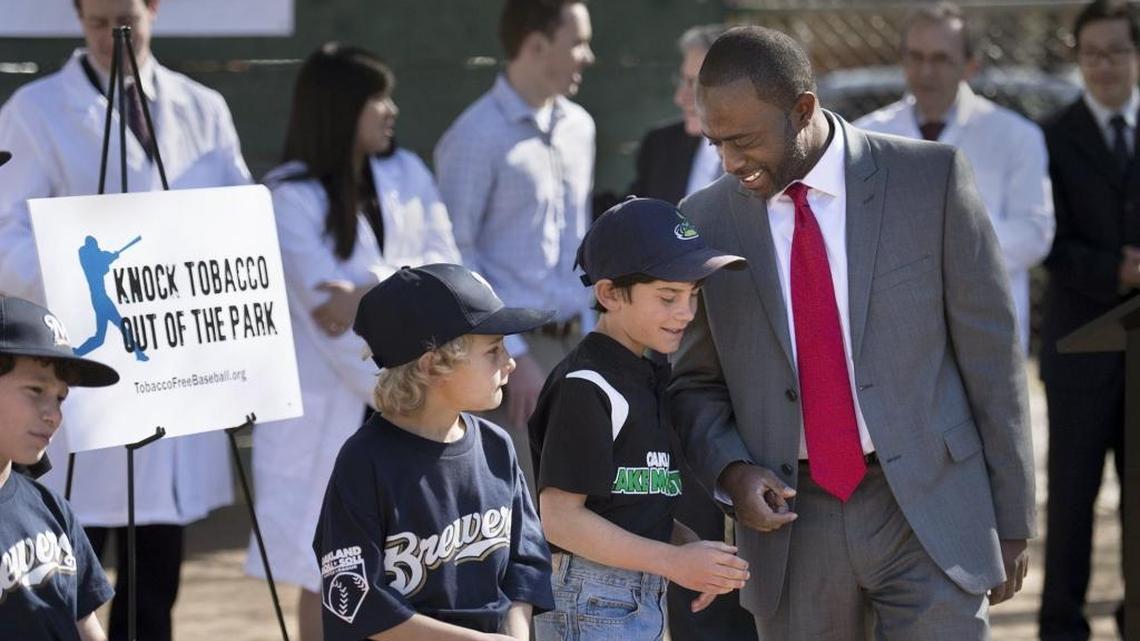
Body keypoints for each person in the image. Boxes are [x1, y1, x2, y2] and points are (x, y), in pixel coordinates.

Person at [670, 26, 1035, 640]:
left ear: (802, 110)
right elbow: (694, 383)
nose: (729, 162)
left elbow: (991, 357)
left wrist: (1013, 514)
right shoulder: (705, 220)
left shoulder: (930, 180)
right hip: (794, 521)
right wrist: (732, 471)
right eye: (716, 143)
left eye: (744, 141)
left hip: (930, 508)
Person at [0, 1, 250, 639]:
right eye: (95, 22)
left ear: (153, 9)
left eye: (126, 18)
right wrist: (90, 270)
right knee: (64, 566)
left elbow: (237, 222)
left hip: (174, 369)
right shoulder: (33, 110)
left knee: (156, 574)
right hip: (80, 371)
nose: (112, 35)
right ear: (78, 19)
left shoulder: (203, 107)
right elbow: (5, 239)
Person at [245, 42, 461, 641]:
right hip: (332, 411)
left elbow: (449, 269)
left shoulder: (409, 172)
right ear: (341, 108)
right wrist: (404, 313)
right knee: (326, 569)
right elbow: (327, 316)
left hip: (407, 399)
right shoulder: (287, 196)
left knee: (412, 559)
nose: (391, 111)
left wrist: (368, 288)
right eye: (377, 99)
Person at [528, 198, 750, 641]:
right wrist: (673, 561)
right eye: (668, 297)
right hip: (589, 599)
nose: (686, 312)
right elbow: (561, 520)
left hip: (638, 595)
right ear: (610, 294)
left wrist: (687, 546)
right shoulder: (585, 385)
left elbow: (627, 504)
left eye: (693, 295)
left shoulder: (647, 375)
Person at [313, 263, 555, 641]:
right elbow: (357, 601)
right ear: (433, 365)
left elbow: (526, 562)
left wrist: (515, 633)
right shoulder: (365, 462)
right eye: (493, 350)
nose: (510, 362)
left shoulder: (496, 446)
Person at [434, 0, 596, 493]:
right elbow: (454, 257)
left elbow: (580, 246)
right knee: (525, 507)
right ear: (536, 45)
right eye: (578, 43)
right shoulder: (473, 136)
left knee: (588, 502)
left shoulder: (581, 127)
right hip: (513, 361)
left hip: (581, 346)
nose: (588, 56)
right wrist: (514, 355)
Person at [854, 1, 1054, 352]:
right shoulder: (865, 136)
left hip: (987, 332)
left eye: (941, 58)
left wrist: (950, 246)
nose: (926, 71)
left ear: (970, 66)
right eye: (916, 57)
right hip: (896, 339)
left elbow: (1034, 233)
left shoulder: (1016, 136)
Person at [1038, 1, 1137, 638]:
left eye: (1117, 52)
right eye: (1092, 53)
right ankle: (1062, 625)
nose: (1104, 66)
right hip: (1079, 347)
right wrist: (1113, 270)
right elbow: (1045, 239)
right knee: (1072, 499)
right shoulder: (1049, 136)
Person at [0, 294, 120, 641]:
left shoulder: (51, 508)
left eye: (60, 398)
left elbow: (85, 624)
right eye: (35, 390)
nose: (53, 414)